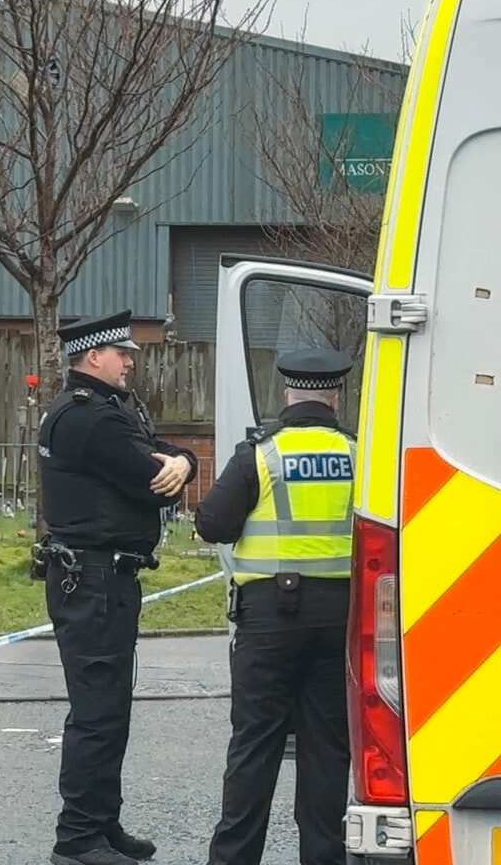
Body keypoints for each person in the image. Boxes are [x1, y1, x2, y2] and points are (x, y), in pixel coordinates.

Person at [36, 309, 199, 865]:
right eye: (121, 353)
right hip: (94, 579)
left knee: (109, 709)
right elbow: (152, 482)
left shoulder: (107, 410)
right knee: (98, 713)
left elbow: (167, 455)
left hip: (101, 577)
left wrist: (185, 459)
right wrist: (178, 466)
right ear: (92, 357)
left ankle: (101, 826)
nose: (130, 361)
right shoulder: (91, 419)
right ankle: (77, 838)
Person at [197, 348, 357, 865]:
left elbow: (212, 524)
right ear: (336, 395)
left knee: (254, 749)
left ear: (287, 393)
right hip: (340, 619)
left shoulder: (259, 455)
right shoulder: (361, 454)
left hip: (269, 619)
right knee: (327, 751)